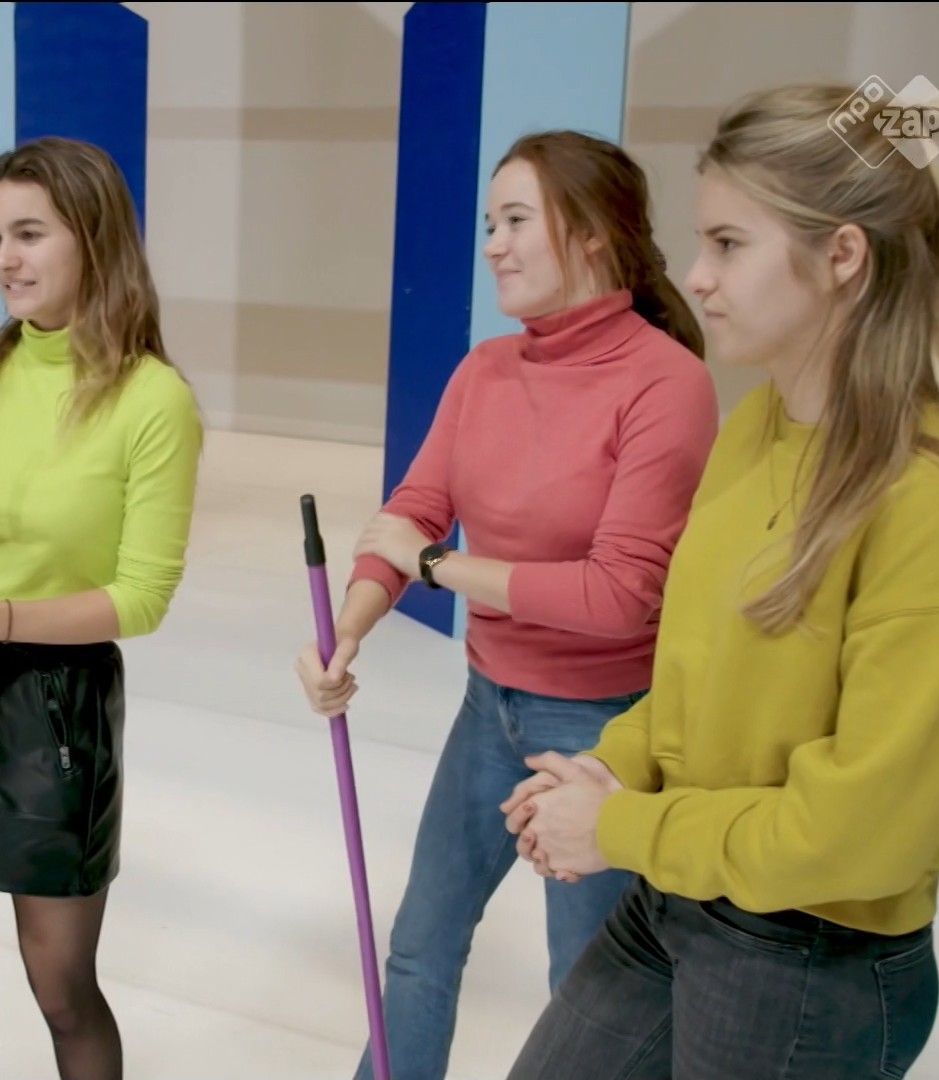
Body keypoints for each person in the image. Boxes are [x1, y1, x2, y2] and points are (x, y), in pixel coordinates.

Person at [501, 81, 939, 1080]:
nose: (696, 277)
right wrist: (611, 768)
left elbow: (862, 833)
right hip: (681, 894)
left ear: (842, 256)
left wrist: (621, 825)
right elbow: (703, 681)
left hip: (807, 955)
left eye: (728, 244)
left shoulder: (935, 503)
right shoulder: (758, 425)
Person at [294, 131, 719, 1080]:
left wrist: (439, 568)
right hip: (490, 706)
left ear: (595, 232)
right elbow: (409, 513)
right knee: (419, 947)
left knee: (592, 993)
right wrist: (348, 631)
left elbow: (619, 596)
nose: (493, 244)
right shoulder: (484, 368)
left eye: (516, 220)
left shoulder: (667, 384)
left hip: (604, 730)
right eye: (491, 223)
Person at [0, 136, 203, 1080]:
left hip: (57, 706)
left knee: (61, 989)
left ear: (93, 239)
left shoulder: (152, 400)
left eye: (29, 234)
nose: (5, 260)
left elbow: (142, 597)